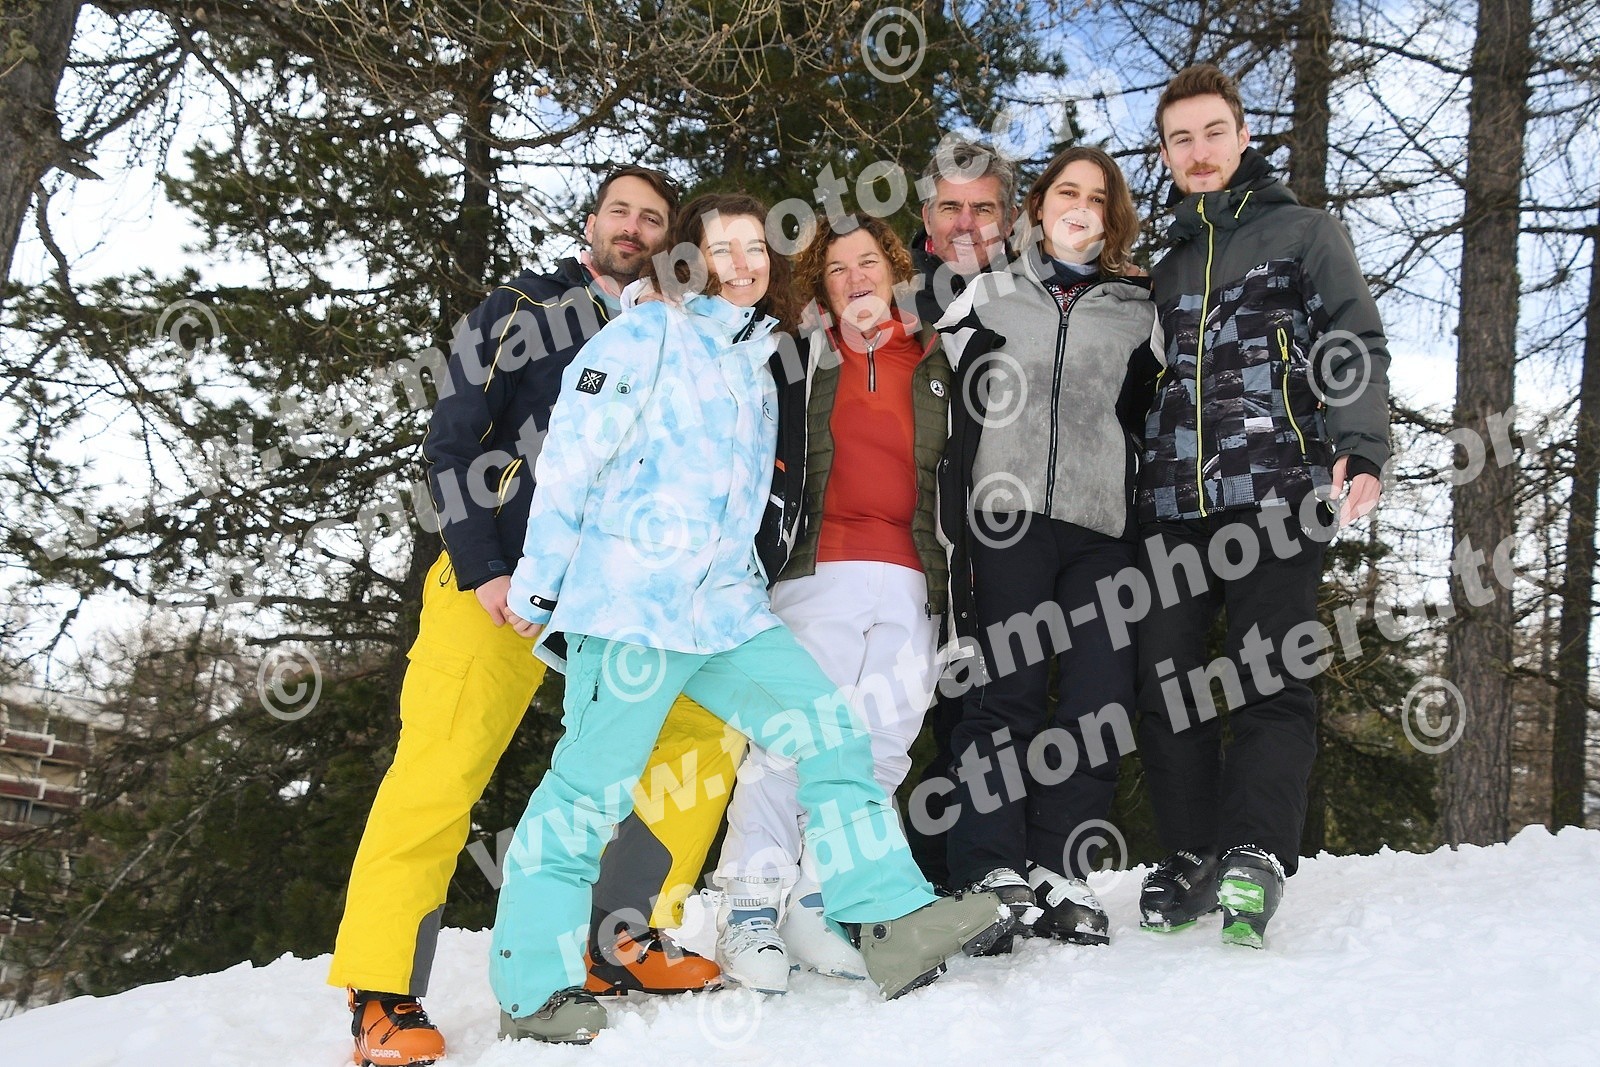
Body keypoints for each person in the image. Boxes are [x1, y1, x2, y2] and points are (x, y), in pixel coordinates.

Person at [490, 192, 1010, 1044]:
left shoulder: (759, 358)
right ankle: (533, 987)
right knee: (589, 791)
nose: (742, 264)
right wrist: (540, 584)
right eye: (721, 248)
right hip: (633, 605)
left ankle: (888, 915)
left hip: (728, 611)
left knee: (833, 733)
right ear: (685, 260)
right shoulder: (641, 335)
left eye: (755, 248)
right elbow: (572, 458)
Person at [331, 166, 733, 1067]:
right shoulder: (520, 308)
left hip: (613, 597)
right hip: (501, 585)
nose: (633, 227)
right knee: (440, 769)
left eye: (652, 218)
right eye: (620, 210)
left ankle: (618, 935)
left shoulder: (676, 328)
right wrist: (484, 566)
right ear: (591, 222)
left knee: (702, 731)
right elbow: (451, 443)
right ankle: (381, 987)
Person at [1134, 64, 1391, 948]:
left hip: (1280, 488)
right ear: (1165, 155)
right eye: (1181, 139)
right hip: (1173, 502)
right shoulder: (1164, 267)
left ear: (1243, 137)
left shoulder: (1305, 232)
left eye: (1214, 132)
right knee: (1165, 683)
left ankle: (1254, 851)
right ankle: (1190, 852)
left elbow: (1351, 336)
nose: (1199, 150)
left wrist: (1361, 442)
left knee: (1271, 674)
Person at [711, 213, 953, 992]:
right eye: (838, 269)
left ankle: (821, 905)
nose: (855, 279)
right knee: (793, 739)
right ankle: (750, 908)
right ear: (822, 285)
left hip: (914, 576)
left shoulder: (939, 354)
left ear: (896, 272)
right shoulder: (801, 354)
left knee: (880, 747)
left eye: (868, 263)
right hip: (818, 568)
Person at [934, 146, 1157, 949]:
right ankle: (989, 868)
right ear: (1038, 206)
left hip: (1103, 531)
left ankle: (1061, 870)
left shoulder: (1142, 310)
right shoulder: (987, 295)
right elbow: (940, 400)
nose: (1080, 206)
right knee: (1006, 694)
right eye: (1067, 191)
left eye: (1097, 196)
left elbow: (1160, 412)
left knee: (1098, 699)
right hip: (1007, 521)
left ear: (1112, 217)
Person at [902, 137, 1019, 888]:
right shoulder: (887, 298)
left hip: (999, 544)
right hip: (897, 543)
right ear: (926, 217)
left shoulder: (1034, 298)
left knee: (981, 711)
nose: (967, 223)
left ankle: (960, 875)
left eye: (983, 208)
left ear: (1009, 220)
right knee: (877, 721)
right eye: (951, 206)